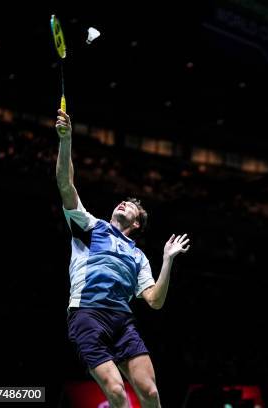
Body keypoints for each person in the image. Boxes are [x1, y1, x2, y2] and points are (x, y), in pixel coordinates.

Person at [55, 109, 190, 408]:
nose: (124, 202)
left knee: (152, 393)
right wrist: (66, 141)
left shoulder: (138, 256)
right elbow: (66, 184)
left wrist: (167, 259)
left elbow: (154, 300)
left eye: (131, 206)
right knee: (116, 392)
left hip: (122, 322)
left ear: (137, 224)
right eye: (123, 201)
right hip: (87, 314)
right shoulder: (91, 227)